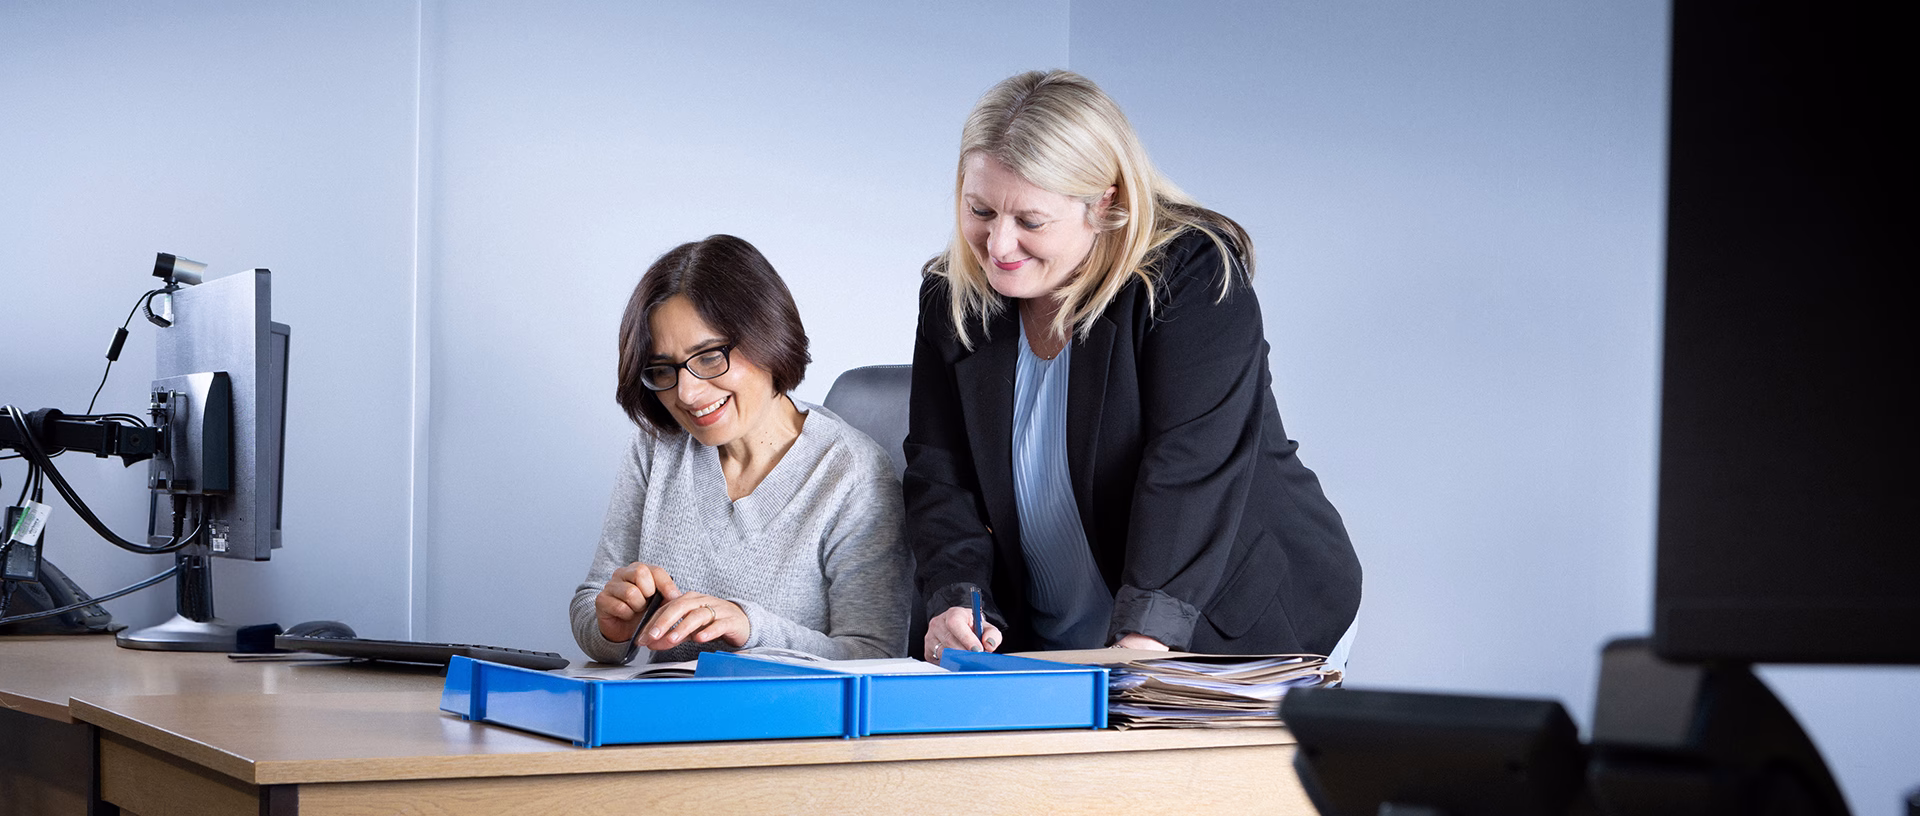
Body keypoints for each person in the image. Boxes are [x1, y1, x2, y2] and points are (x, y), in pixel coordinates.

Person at [907, 70, 1362, 660]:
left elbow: (1190, 468)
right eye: (980, 210)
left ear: (1106, 203)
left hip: (1240, 618)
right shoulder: (953, 298)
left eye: (1030, 221)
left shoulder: (1193, 276)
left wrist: (1146, 646)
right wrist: (955, 599)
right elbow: (938, 470)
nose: (997, 245)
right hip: (1059, 634)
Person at [571, 234, 911, 664]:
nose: (688, 393)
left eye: (710, 356)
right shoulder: (655, 449)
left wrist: (749, 629)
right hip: (666, 719)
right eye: (663, 369)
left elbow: (875, 657)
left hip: (790, 727)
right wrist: (611, 624)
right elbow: (592, 601)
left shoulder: (854, 476)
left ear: (767, 335)